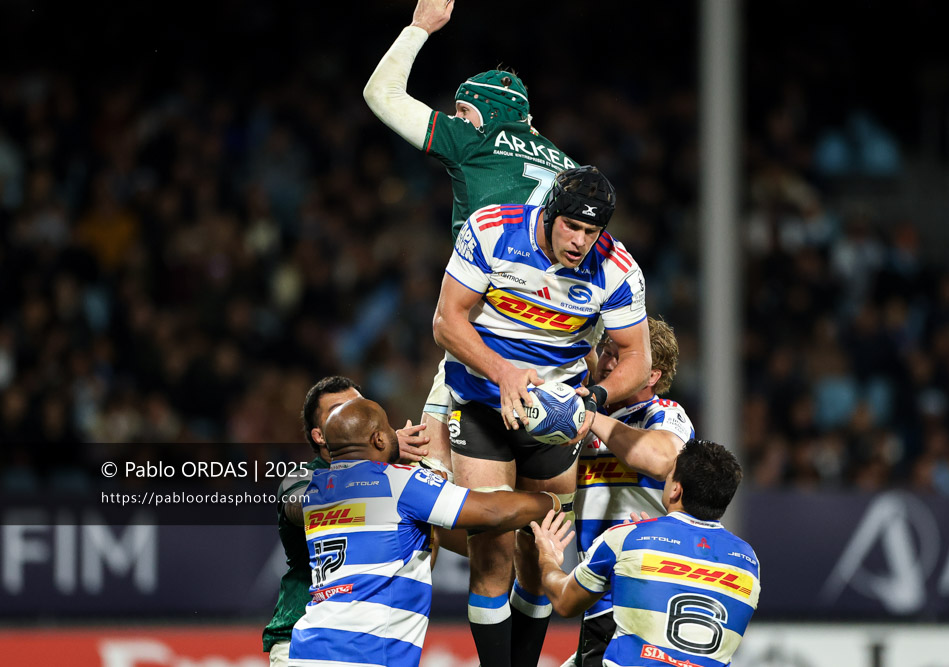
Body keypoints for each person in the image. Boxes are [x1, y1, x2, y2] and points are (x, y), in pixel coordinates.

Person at [433, 164, 651, 666]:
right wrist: (502, 371)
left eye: (591, 231)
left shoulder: (617, 268)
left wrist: (593, 398)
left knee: (538, 554)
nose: (579, 242)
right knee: (492, 554)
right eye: (571, 226)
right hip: (482, 404)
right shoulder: (491, 230)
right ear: (549, 213)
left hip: (556, 419)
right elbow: (446, 322)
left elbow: (638, 358)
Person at [363, 0, 580, 478]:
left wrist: (420, 27)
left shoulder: (475, 140)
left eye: (463, 110)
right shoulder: (569, 167)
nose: (456, 117)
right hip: (557, 338)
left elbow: (381, 93)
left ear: (489, 111)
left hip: (487, 325)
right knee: (543, 516)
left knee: (433, 479)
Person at [285, 398, 563, 667]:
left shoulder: (316, 491)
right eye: (390, 429)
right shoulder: (399, 482)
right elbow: (494, 512)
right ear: (379, 439)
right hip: (363, 653)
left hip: (307, 647)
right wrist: (555, 500)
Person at [531, 439, 760, 667]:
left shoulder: (627, 538)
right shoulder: (748, 561)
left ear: (675, 490)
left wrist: (547, 557)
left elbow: (564, 601)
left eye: (670, 475)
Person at [262, 376, 430, 667]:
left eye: (357, 406)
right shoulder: (302, 479)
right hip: (302, 638)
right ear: (319, 436)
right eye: (338, 410)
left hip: (369, 642)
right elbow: (305, 507)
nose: (350, 415)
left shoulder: (396, 476)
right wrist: (381, 456)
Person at [570, 318, 695, 667]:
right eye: (605, 352)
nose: (606, 363)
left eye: (618, 356)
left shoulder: (664, 414)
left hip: (645, 592)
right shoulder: (582, 414)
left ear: (651, 375)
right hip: (598, 593)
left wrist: (592, 417)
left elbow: (660, 459)